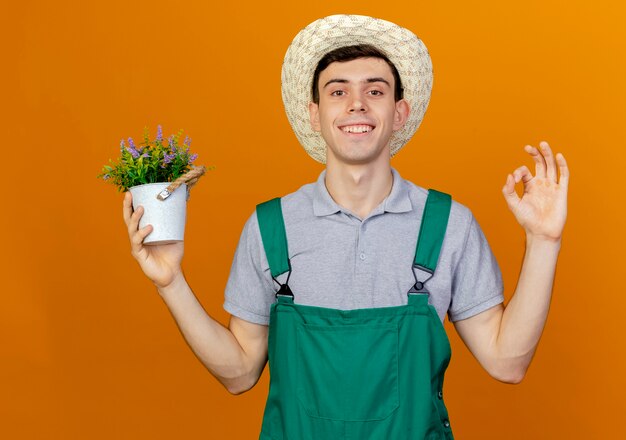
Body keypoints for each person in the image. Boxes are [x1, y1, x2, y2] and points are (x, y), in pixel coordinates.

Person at [122, 14, 569, 440]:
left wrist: (543, 240)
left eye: (375, 91)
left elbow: (507, 362)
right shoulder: (270, 226)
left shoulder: (449, 224)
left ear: (400, 111)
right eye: (338, 92)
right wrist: (171, 282)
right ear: (315, 114)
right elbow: (239, 373)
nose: (356, 103)